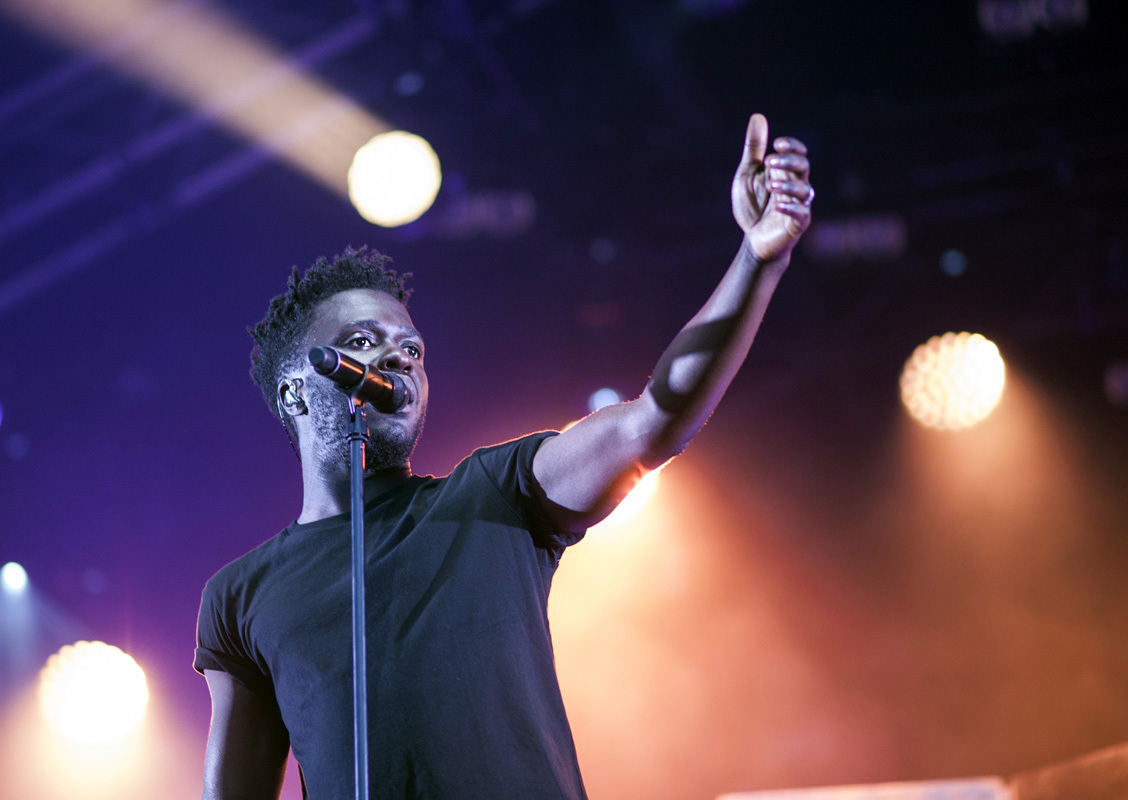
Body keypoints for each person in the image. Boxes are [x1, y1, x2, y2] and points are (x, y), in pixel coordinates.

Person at [195, 113, 813, 800]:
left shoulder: (494, 491)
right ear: (295, 391)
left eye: (412, 350)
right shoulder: (239, 596)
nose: (399, 357)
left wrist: (757, 262)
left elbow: (653, 420)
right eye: (365, 341)